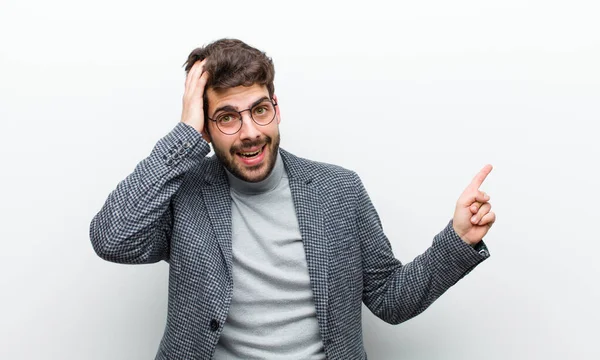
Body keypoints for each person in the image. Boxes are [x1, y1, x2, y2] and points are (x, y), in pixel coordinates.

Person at [90, 38, 496, 360]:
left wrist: (458, 239)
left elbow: (391, 298)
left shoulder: (339, 191)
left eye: (259, 110)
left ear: (277, 109)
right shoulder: (185, 193)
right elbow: (112, 238)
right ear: (205, 128)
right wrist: (183, 137)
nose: (249, 131)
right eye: (227, 117)